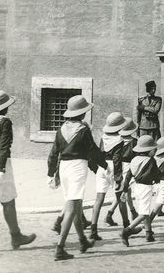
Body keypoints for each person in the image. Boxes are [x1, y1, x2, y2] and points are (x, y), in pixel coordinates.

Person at [47, 95, 105, 261]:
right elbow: (93, 150)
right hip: (78, 168)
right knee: (72, 207)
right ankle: (60, 247)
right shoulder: (83, 130)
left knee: (76, 205)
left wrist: (51, 173)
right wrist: (105, 166)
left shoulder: (61, 129)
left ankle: (82, 241)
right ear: (82, 114)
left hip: (64, 168)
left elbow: (53, 154)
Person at [0, 90, 36, 253]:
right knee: (8, 201)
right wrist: (1, 170)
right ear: (3, 108)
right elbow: (3, 147)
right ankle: (16, 236)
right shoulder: (4, 122)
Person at [89, 112, 128, 241]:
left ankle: (93, 229)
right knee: (120, 197)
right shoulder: (120, 140)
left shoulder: (103, 136)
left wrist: (97, 169)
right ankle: (127, 226)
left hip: (102, 166)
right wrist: (118, 178)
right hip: (113, 167)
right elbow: (117, 159)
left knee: (99, 198)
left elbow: (98, 153)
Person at [119, 135, 161, 246]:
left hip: (136, 187)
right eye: (154, 150)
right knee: (143, 213)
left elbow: (128, 176)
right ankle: (127, 231)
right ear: (150, 150)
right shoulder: (151, 161)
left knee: (144, 210)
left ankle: (149, 233)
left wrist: (124, 190)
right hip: (146, 187)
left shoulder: (134, 160)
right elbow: (156, 175)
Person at [104, 117, 139, 226]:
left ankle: (111, 214)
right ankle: (131, 213)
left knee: (123, 192)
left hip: (118, 167)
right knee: (124, 192)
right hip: (128, 168)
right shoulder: (134, 142)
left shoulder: (116, 140)